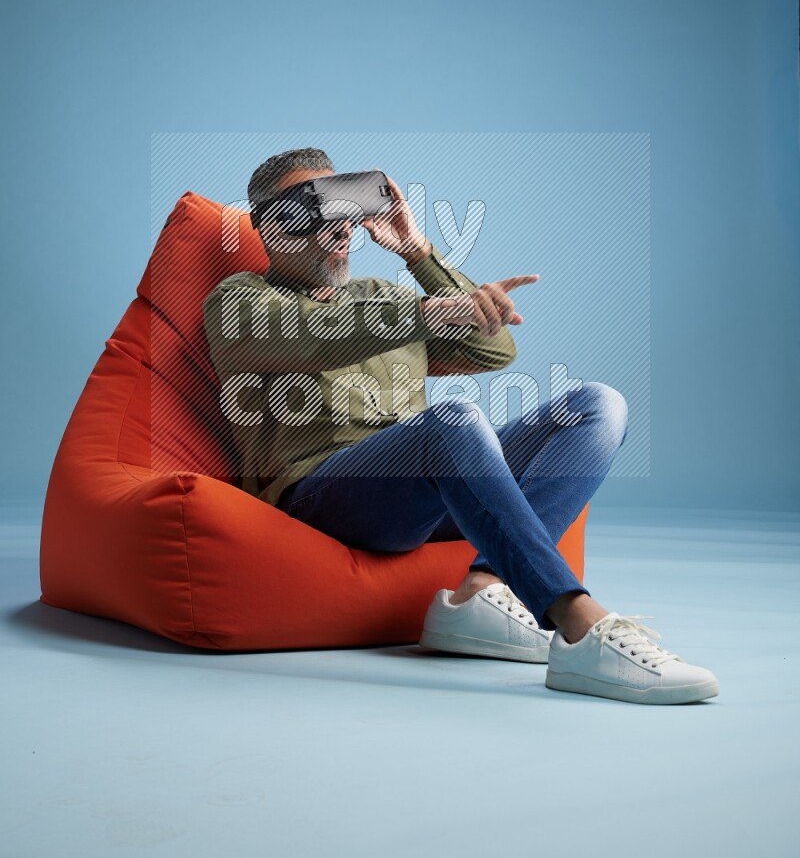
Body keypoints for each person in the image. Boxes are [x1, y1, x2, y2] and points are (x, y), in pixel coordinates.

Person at [203, 147, 719, 705]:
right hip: (322, 499)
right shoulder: (237, 301)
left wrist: (419, 255)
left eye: (342, 205)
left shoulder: (385, 297)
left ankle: (482, 589)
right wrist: (426, 315)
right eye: (311, 208)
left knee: (597, 405)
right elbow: (315, 330)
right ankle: (578, 623)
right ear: (269, 226)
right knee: (452, 420)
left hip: (422, 494)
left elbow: (493, 347)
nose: (336, 225)